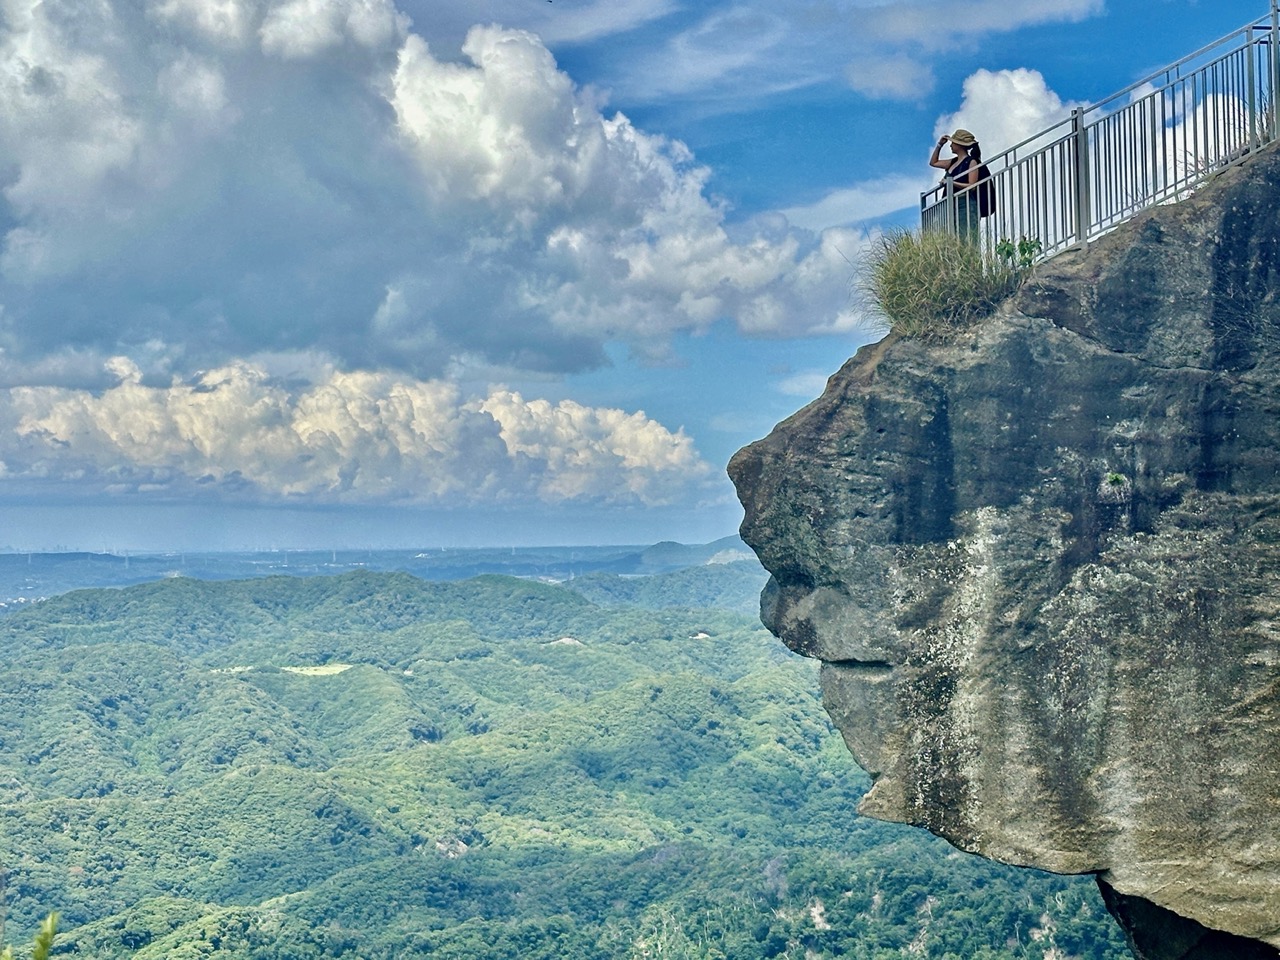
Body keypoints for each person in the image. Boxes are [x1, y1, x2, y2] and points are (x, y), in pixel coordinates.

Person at [929, 128, 983, 238]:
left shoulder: (971, 161)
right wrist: (939, 145)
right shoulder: (952, 162)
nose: (951, 145)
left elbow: (972, 186)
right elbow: (933, 162)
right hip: (950, 204)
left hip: (964, 204)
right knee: (948, 237)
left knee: (965, 236)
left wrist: (951, 183)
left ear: (960, 145)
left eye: (953, 143)